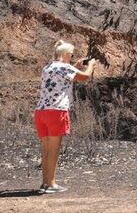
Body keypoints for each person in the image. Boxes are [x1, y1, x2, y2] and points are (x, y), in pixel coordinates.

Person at [34, 40, 98, 194]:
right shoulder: (64, 67)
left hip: (41, 111)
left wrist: (74, 66)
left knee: (46, 149)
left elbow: (63, 78)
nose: (71, 56)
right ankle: (51, 183)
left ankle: (45, 182)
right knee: (54, 149)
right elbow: (85, 77)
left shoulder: (48, 67)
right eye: (71, 54)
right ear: (66, 54)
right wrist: (91, 65)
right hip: (57, 111)